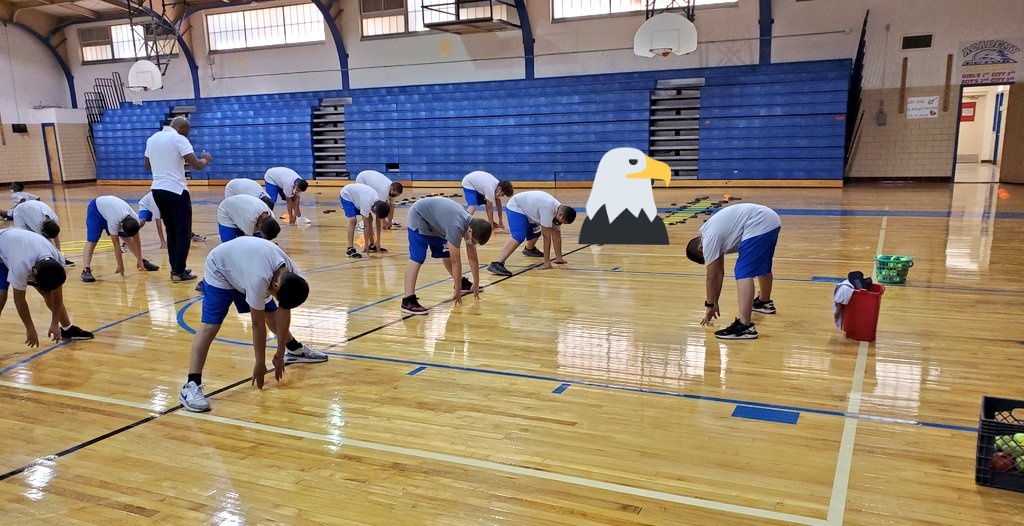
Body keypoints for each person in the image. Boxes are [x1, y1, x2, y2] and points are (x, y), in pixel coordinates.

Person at [179, 236, 327, 413]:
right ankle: (191, 385)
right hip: (220, 269)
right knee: (210, 325)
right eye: (277, 297)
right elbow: (257, 325)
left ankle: (293, 348)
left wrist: (280, 354)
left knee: (272, 314)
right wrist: (260, 363)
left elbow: (283, 312)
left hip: (243, 266)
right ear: (275, 285)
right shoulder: (259, 279)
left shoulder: (289, 272)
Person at [685, 203, 781, 340]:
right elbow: (719, 273)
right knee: (762, 265)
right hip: (770, 219)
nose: (710, 257)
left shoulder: (709, 239)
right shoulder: (712, 232)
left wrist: (710, 305)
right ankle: (764, 302)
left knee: (743, 271)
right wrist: (715, 302)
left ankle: (744, 326)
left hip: (759, 221)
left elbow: (711, 277)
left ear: (701, 248)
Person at [145, 116, 212, 282]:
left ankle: (175, 267)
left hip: (157, 190)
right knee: (183, 232)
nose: (188, 135)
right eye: (187, 131)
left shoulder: (152, 138)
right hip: (176, 190)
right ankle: (178, 271)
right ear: (182, 128)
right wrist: (206, 160)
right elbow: (196, 165)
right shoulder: (178, 139)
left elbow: (147, 165)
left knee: (171, 231)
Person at [0, 229, 93, 346]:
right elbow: (19, 300)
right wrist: (30, 328)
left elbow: (57, 293)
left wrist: (55, 323)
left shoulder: (58, 259)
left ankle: (67, 329)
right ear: (33, 271)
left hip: (18, 245)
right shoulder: (20, 265)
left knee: (48, 293)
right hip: (4, 248)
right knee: (1, 295)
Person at [401, 196, 492, 315]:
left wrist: (476, 282)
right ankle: (408, 300)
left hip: (436, 221)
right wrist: (457, 291)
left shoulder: (472, 224)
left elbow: (472, 257)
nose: (473, 243)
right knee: (418, 257)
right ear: (470, 231)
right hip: (419, 216)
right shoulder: (456, 227)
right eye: (474, 241)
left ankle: (460, 281)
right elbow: (456, 262)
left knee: (447, 253)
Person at [485, 191, 576, 277]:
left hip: (529, 210)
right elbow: (546, 237)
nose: (561, 224)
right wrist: (546, 262)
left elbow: (556, 236)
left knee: (536, 230)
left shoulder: (559, 211)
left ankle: (529, 249)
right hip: (516, 207)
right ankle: (497, 263)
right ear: (560, 215)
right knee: (519, 235)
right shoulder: (548, 208)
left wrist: (559, 258)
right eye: (563, 222)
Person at [80, 195, 157, 282]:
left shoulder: (135, 219)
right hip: (96, 210)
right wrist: (120, 265)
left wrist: (140, 261)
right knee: (92, 240)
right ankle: (86, 269)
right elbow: (116, 245)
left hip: (110, 209)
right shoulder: (114, 221)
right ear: (121, 226)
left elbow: (137, 242)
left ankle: (141, 262)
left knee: (127, 238)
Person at [11, 200, 74, 266]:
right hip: (19, 211)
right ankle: (28, 260)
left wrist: (60, 257)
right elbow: (45, 242)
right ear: (43, 230)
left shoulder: (55, 220)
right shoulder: (37, 225)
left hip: (33, 206)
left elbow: (56, 238)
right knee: (24, 236)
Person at [340, 183, 391, 258]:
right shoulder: (367, 202)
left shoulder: (378, 201)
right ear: (374, 209)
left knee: (370, 218)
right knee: (353, 220)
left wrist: (378, 242)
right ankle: (350, 249)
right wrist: (365, 245)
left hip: (357, 197)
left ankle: (372, 245)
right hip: (347, 195)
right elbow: (366, 225)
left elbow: (378, 222)